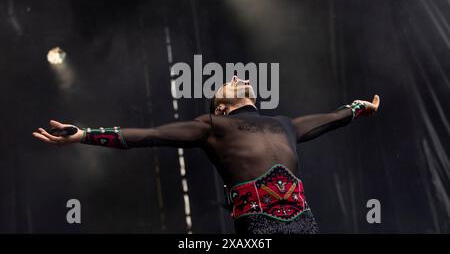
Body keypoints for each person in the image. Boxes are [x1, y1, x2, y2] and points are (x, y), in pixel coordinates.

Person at [32, 76, 380, 234]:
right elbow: (150, 135)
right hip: (260, 229)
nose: (235, 77)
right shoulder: (213, 127)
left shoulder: (284, 124)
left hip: (307, 226)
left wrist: (357, 108)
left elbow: (332, 118)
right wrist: (85, 135)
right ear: (222, 108)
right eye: (226, 85)